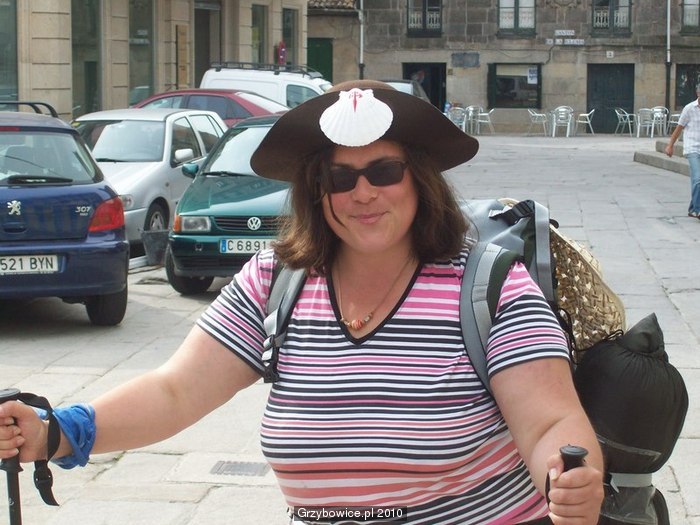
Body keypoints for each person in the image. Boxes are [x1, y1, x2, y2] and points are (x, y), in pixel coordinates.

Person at [0, 80, 603, 524]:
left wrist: (570, 480)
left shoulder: (491, 286)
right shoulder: (276, 279)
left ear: (419, 179)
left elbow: (550, 421)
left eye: (384, 171)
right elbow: (177, 390)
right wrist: (60, 431)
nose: (362, 193)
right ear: (317, 191)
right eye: (339, 177)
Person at [665, 84, 700, 219]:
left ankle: (692, 208)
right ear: (698, 93)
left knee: (697, 180)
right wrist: (670, 145)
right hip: (692, 148)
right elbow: (679, 128)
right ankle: (698, 210)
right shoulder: (689, 109)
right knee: (697, 179)